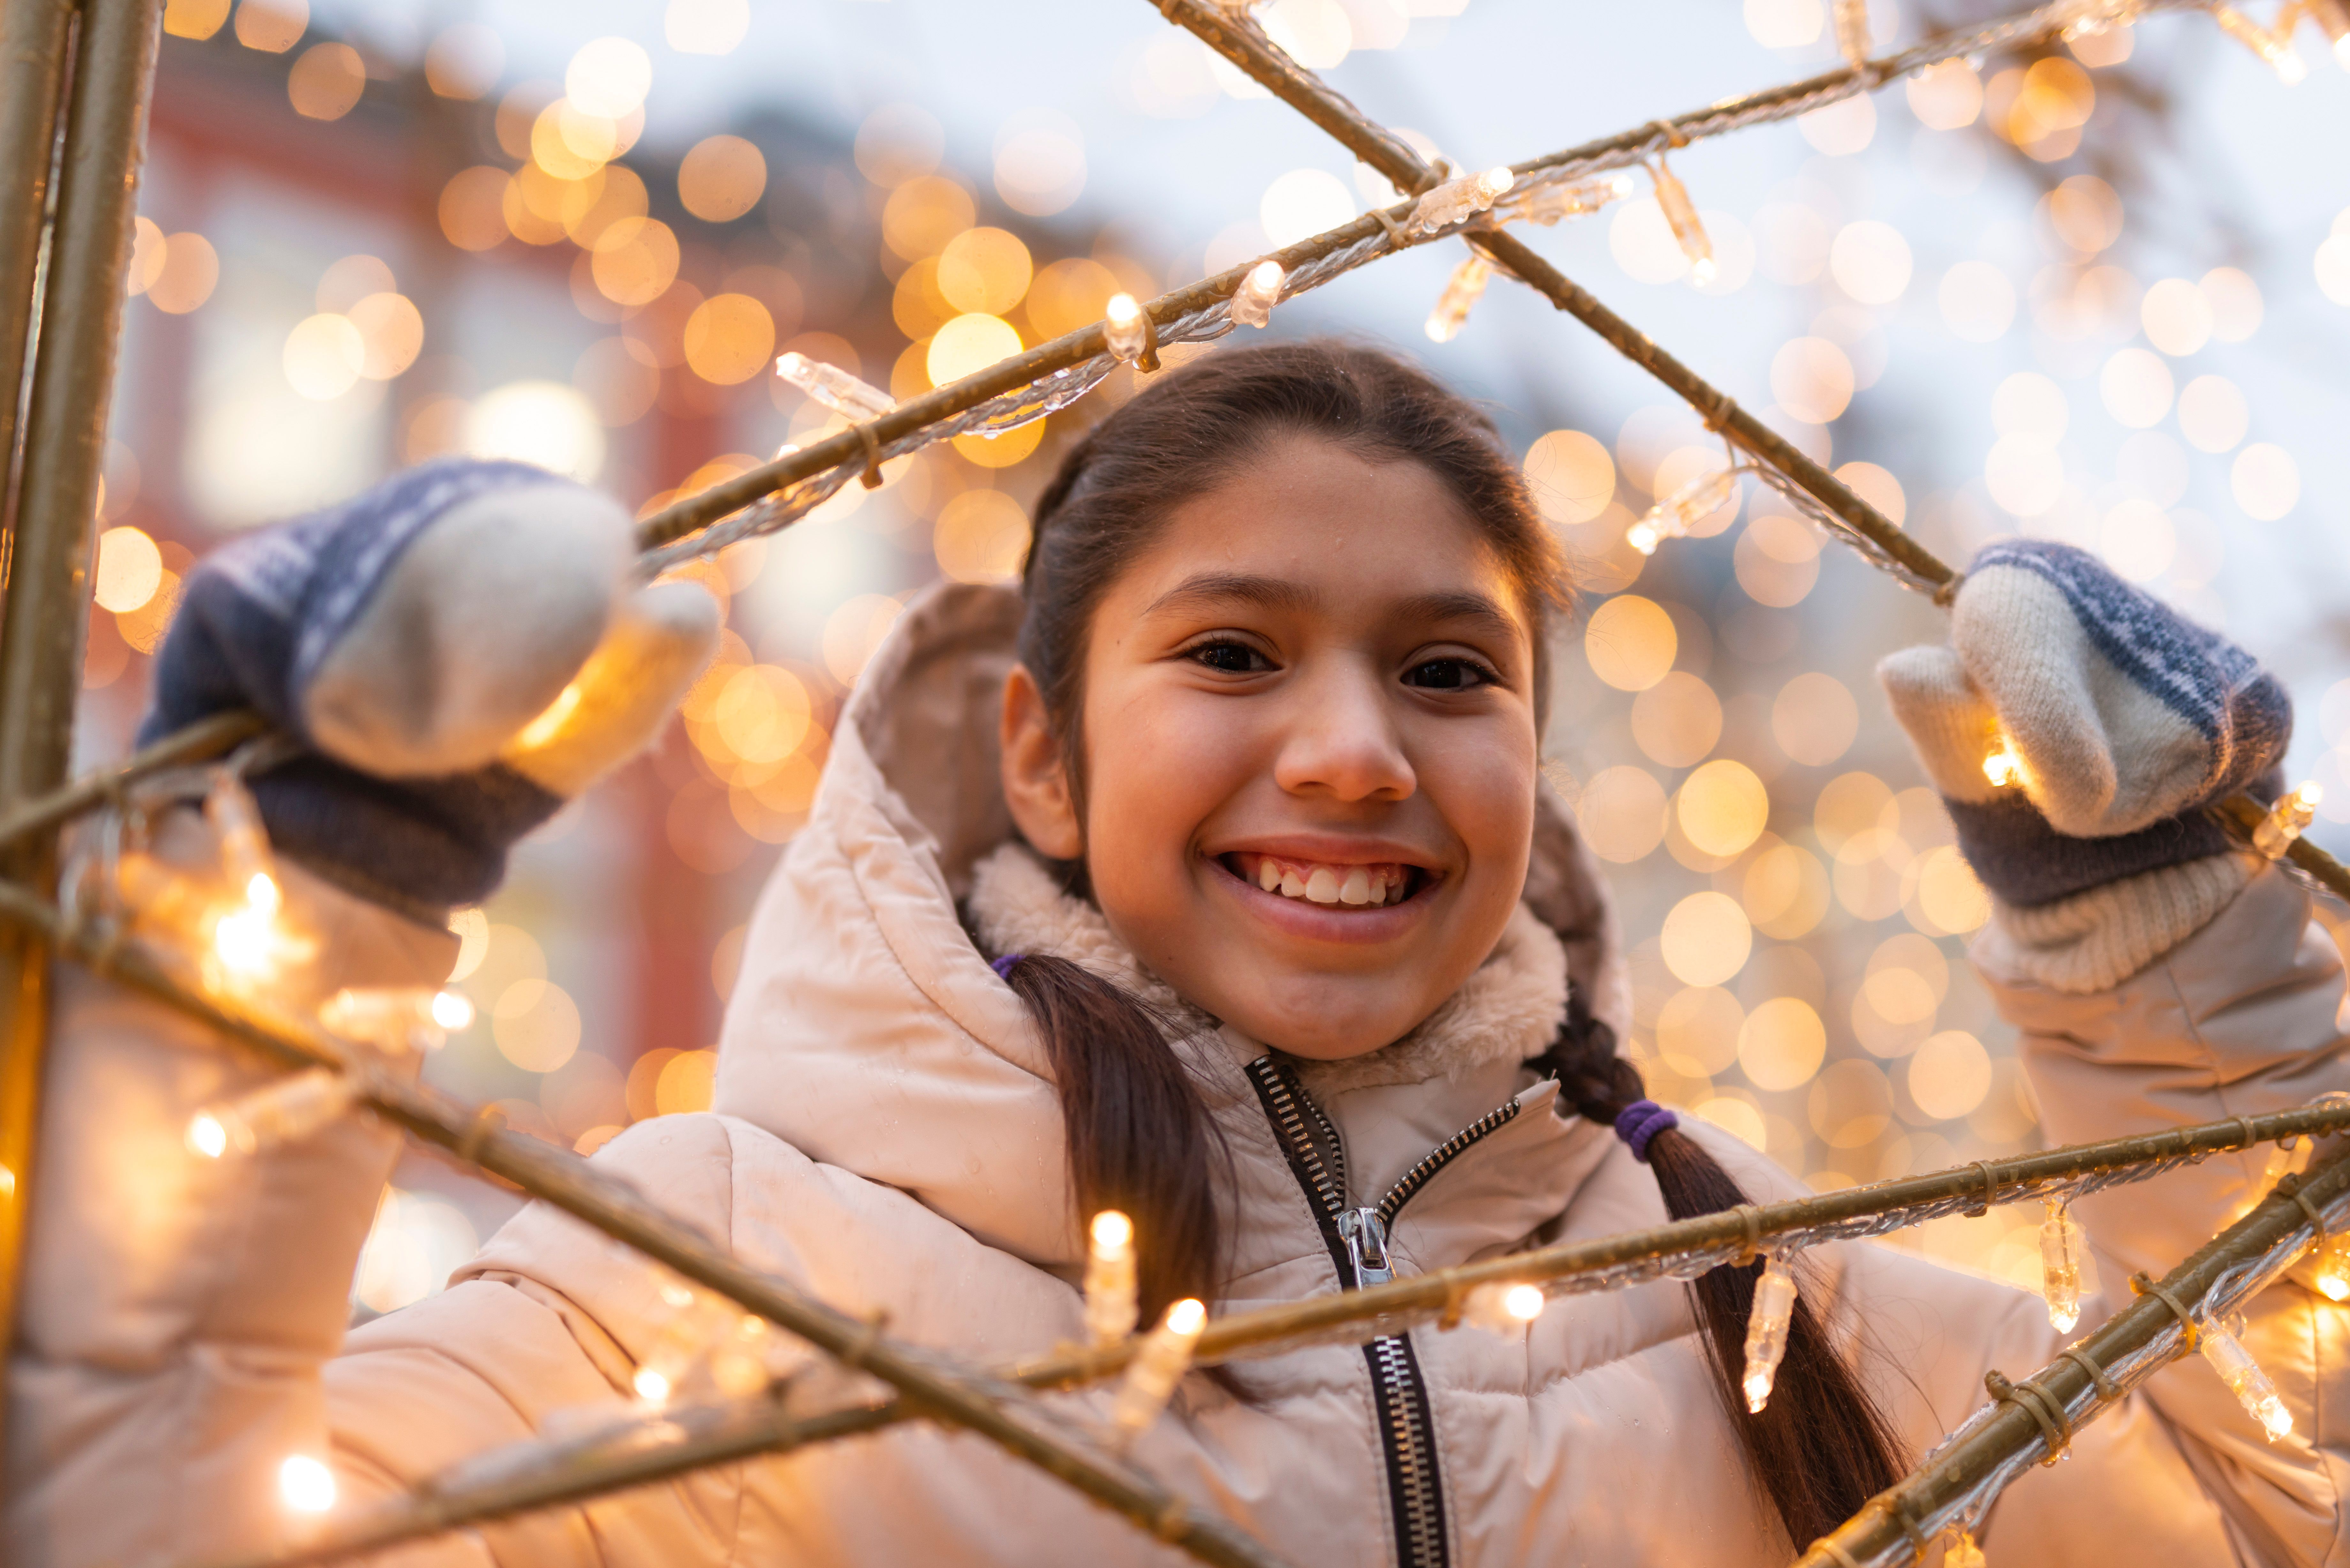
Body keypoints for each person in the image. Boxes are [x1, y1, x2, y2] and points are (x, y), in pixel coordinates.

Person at [10, 340, 2346, 1568]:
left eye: (1450, 674)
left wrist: (2173, 951)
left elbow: (2277, 1523)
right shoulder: (707, 1290)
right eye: (1234, 653)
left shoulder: (1770, 1309)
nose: (1351, 752)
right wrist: (310, 889)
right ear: (1036, 753)